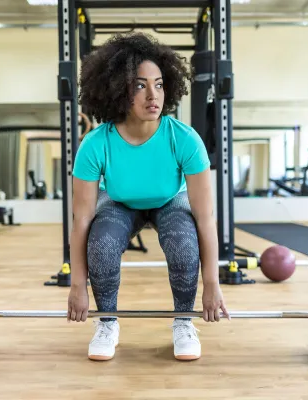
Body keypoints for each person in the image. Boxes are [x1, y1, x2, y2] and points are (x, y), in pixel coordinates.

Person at [67, 32, 229, 361]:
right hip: (120, 202)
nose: (152, 94)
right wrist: (76, 285)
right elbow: (82, 219)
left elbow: (205, 217)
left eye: (158, 84)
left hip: (170, 200)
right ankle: (107, 322)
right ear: (117, 89)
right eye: (140, 85)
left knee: (185, 243)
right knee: (100, 242)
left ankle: (183, 322)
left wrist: (211, 282)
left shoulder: (185, 139)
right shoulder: (96, 144)